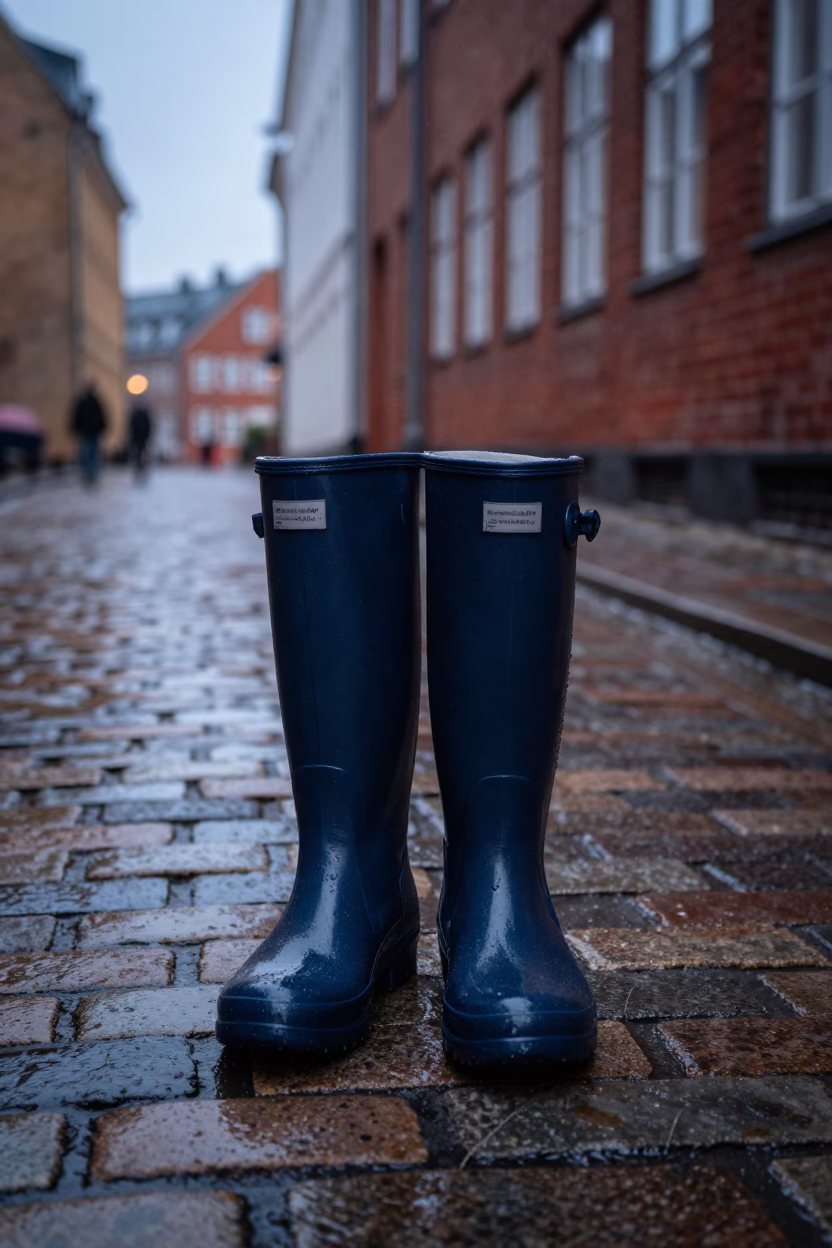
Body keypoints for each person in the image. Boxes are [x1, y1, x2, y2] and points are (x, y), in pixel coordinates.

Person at [70, 382, 107, 486]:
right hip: (92, 431)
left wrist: (75, 428)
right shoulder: (95, 402)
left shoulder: (84, 402)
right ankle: (91, 472)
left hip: (87, 431)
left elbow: (77, 416)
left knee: (87, 452)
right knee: (91, 452)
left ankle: (88, 472)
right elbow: (101, 417)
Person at [128, 402, 153, 478]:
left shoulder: (135, 415)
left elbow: (131, 426)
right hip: (143, 438)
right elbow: (149, 426)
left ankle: (139, 466)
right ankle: (142, 466)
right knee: (142, 452)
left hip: (137, 438)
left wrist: (132, 436)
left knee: (138, 453)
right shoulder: (145, 415)